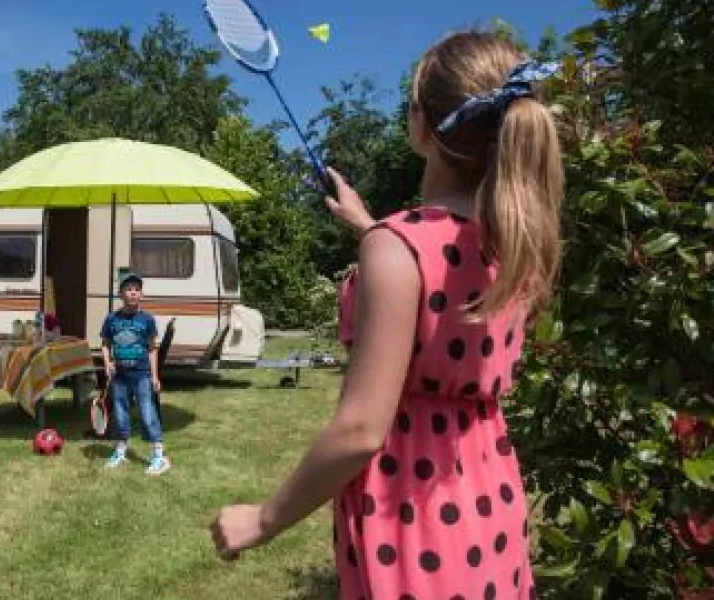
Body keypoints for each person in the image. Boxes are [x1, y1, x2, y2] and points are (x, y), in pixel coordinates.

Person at [210, 30, 564, 599]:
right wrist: (368, 227)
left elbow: (360, 430)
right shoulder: (516, 243)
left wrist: (263, 519)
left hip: (411, 516)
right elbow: (436, 277)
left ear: (423, 125)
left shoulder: (398, 248)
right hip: (486, 502)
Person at [100, 273, 170, 476]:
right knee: (121, 414)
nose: (133, 293)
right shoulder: (112, 319)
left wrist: (155, 377)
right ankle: (121, 451)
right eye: (129, 289)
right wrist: (107, 363)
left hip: (141, 375)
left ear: (141, 294)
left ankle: (158, 456)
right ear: (121, 294)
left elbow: (153, 349)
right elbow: (105, 344)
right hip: (120, 376)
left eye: (137, 289)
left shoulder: (147, 320)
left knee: (148, 413)